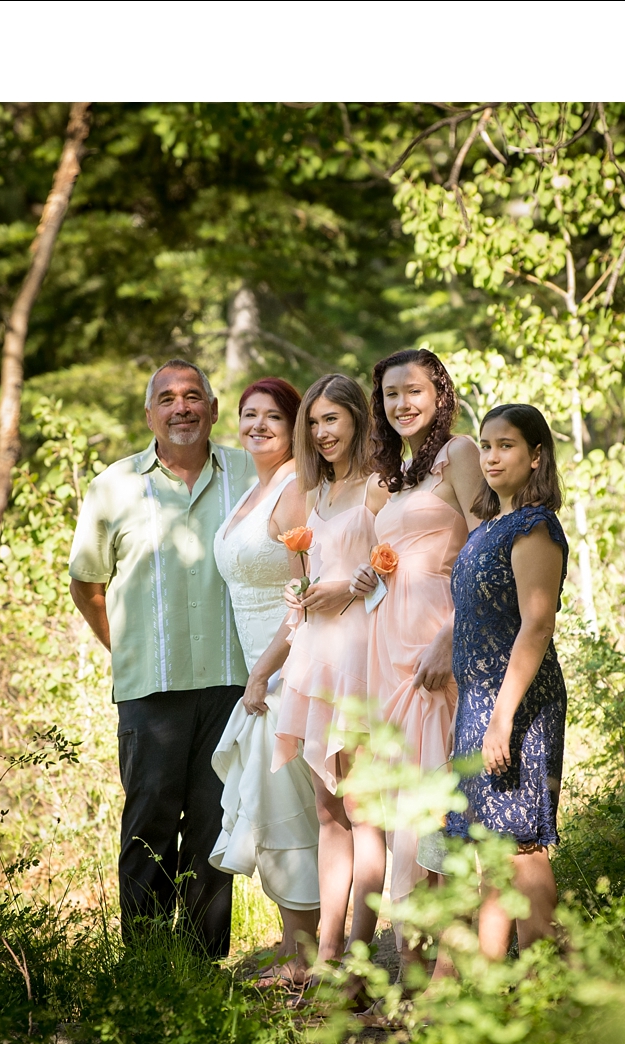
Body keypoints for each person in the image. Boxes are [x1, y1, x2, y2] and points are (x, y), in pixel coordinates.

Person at [68, 359, 256, 957]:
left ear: (213, 408)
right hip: (151, 687)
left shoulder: (252, 474)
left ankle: (202, 965)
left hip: (234, 685)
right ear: (150, 414)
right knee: (149, 821)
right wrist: (125, 649)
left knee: (214, 825)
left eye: (193, 396)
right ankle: (147, 965)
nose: (182, 407)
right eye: (168, 398)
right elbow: (86, 582)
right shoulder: (114, 486)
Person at [347, 349, 485, 919]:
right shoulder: (394, 478)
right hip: (388, 645)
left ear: (439, 395)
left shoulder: (460, 454)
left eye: (413, 391)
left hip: (436, 639)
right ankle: (412, 973)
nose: (401, 403)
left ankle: (447, 973)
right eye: (390, 394)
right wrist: (367, 577)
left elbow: (485, 551)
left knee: (434, 803)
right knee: (402, 798)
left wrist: (452, 637)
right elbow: (393, 556)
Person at [432, 403, 568, 959]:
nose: (490, 456)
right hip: (480, 703)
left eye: (506, 445)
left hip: (520, 704)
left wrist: (503, 717)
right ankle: (488, 985)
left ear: (536, 456)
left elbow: (536, 626)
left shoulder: (534, 527)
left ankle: (543, 982)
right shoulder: (488, 527)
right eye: (486, 445)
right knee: (492, 846)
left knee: (523, 847)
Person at [272, 374, 391, 969]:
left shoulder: (377, 488)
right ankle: (327, 952)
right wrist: (304, 595)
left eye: (331, 421)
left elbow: (395, 569)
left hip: (358, 655)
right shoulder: (313, 497)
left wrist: (349, 584)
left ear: (356, 421)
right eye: (313, 423)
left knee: (365, 810)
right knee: (328, 810)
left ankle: (363, 959)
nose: (321, 433)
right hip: (317, 656)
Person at [207, 377, 322, 983]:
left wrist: (264, 672)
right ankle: (293, 939)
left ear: (295, 424)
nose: (257, 425)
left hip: (289, 663)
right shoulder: (250, 492)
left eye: (272, 417)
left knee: (288, 799)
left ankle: (309, 949)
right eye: (248, 415)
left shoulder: (298, 489)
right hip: (260, 667)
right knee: (277, 796)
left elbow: (305, 594)